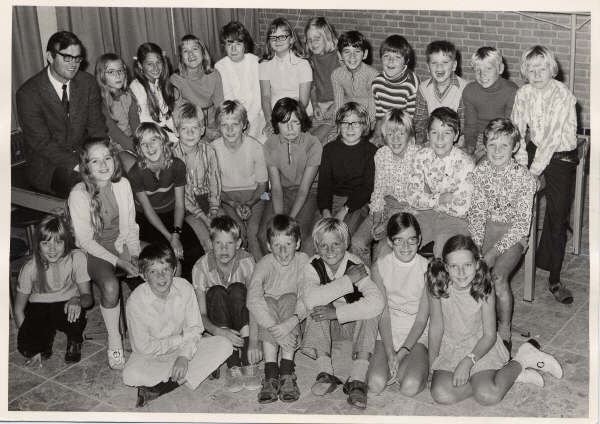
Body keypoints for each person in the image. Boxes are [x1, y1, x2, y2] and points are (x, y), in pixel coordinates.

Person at [427, 235, 563, 405]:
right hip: (452, 346)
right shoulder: (438, 287)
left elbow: (489, 335)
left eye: (467, 265)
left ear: (477, 264)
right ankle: (500, 377)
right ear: (446, 267)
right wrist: (432, 365)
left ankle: (522, 360)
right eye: (454, 266)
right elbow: (436, 328)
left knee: (488, 396)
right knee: (441, 394)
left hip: (480, 347)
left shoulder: (484, 287)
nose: (461, 273)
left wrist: (468, 362)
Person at [122, 243, 233, 408]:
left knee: (224, 345)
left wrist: (183, 356)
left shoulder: (184, 287)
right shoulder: (135, 302)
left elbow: (195, 328)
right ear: (144, 276)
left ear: (174, 270)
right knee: (130, 375)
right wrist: (179, 340)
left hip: (183, 348)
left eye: (165, 270)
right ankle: (196, 371)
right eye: (153, 272)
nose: (161, 276)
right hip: (153, 354)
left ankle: (161, 387)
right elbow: (142, 347)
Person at [511, 45, 579, 304]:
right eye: (531, 69)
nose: (537, 74)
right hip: (536, 146)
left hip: (561, 153)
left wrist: (533, 173)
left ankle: (555, 278)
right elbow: (517, 131)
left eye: (542, 68)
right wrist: (521, 163)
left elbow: (551, 139)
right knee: (515, 187)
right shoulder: (523, 93)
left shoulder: (563, 94)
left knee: (557, 216)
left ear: (552, 70)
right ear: (524, 72)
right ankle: (513, 251)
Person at [68, 138, 140, 369]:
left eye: (107, 158)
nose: (103, 165)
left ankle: (153, 331)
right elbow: (85, 241)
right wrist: (119, 261)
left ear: (114, 160)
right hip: (94, 251)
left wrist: (134, 253)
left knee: (159, 263)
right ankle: (115, 340)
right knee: (110, 286)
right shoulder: (79, 194)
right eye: (95, 161)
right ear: (86, 167)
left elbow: (130, 226)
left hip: (120, 243)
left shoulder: (122, 185)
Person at [467, 118, 536, 353]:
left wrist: (492, 254)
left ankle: (504, 329)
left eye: (504, 145)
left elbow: (521, 226)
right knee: (470, 269)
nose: (497, 151)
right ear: (485, 146)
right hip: (486, 230)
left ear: (514, 147)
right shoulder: (480, 172)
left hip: (512, 236)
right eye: (492, 145)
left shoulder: (524, 178)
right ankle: (481, 324)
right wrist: (477, 246)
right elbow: (477, 213)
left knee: (497, 277)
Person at [301, 218, 384, 410]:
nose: (330, 250)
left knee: (370, 311)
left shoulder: (356, 266)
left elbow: (378, 302)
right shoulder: (312, 266)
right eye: (324, 245)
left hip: (353, 329)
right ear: (316, 247)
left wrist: (336, 313)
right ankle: (325, 373)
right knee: (316, 306)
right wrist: (348, 280)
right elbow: (310, 300)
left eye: (336, 244)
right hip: (328, 330)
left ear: (346, 244)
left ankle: (357, 378)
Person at [16, 30, 106, 197]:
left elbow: (97, 128)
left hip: (86, 155)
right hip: (48, 165)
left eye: (77, 58)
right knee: (86, 187)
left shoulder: (87, 83)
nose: (74, 64)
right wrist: (82, 165)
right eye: (67, 57)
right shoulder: (28, 93)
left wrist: (102, 157)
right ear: (50, 57)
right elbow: (42, 143)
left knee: (122, 174)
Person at [127, 122, 204, 282]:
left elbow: (180, 205)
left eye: (153, 140)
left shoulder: (177, 166)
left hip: (171, 213)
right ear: (139, 149)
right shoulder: (136, 173)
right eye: (144, 144)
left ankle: (192, 292)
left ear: (163, 141)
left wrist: (176, 234)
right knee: (168, 257)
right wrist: (170, 238)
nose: (149, 147)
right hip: (147, 219)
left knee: (195, 252)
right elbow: (148, 211)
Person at [191, 216, 259, 393]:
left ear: (238, 244)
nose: (224, 249)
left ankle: (247, 359)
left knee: (237, 288)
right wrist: (219, 331)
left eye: (229, 243)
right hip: (218, 322)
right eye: (218, 243)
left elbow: (254, 303)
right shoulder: (200, 267)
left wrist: (253, 341)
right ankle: (233, 363)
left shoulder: (247, 261)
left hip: (242, 318)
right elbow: (201, 315)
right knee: (217, 291)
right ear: (210, 244)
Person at [247, 215, 310, 404]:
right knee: (266, 303)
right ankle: (271, 374)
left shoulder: (303, 260)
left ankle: (287, 372)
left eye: (288, 244)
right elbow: (253, 299)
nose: (283, 251)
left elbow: (308, 295)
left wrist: (289, 324)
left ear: (298, 243)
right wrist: (275, 329)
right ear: (268, 246)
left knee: (290, 299)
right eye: (277, 245)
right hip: (271, 319)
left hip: (293, 316)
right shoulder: (264, 263)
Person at [14, 215, 93, 364]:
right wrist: (30, 338)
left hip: (68, 303)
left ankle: (75, 339)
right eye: (45, 243)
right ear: (38, 244)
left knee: (74, 313)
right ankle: (46, 335)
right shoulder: (30, 268)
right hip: (39, 306)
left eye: (58, 242)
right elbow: (18, 309)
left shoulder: (77, 258)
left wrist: (77, 300)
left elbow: (88, 298)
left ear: (66, 242)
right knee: (27, 349)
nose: (52, 249)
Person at [366, 213, 429, 397]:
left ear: (419, 240)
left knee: (410, 387)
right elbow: (383, 314)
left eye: (411, 240)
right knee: (375, 383)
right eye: (399, 240)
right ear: (389, 241)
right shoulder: (379, 267)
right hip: (387, 331)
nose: (405, 247)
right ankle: (394, 366)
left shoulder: (427, 269)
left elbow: (421, 320)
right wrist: (389, 352)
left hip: (415, 334)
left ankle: (411, 366)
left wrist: (401, 353)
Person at [351, 108, 420, 266]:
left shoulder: (418, 156)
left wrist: (387, 223)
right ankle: (365, 278)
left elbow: (417, 201)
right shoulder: (381, 155)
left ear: (409, 135)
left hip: (408, 211)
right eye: (390, 133)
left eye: (401, 133)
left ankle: (380, 278)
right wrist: (377, 220)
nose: (395, 139)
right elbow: (378, 191)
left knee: (381, 251)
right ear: (384, 136)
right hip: (384, 207)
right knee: (357, 242)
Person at [408, 107, 474, 258]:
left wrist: (427, 198)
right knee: (406, 238)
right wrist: (439, 199)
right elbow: (412, 196)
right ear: (427, 134)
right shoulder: (420, 157)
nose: (439, 139)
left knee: (443, 251)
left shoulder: (466, 164)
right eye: (434, 133)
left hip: (455, 220)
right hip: (427, 214)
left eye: (447, 133)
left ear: (456, 135)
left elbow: (462, 208)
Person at [259, 97, 322, 255]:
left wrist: (289, 220)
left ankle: (298, 269)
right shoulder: (270, 145)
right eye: (284, 122)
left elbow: (304, 190)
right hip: (283, 192)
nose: (290, 128)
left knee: (296, 234)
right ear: (276, 124)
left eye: (295, 122)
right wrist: (280, 218)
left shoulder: (313, 144)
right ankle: (273, 268)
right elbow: (276, 188)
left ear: (302, 121)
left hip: (308, 193)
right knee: (265, 234)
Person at [212, 100, 268, 261]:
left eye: (235, 124)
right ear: (218, 126)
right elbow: (214, 189)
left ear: (244, 125)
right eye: (224, 125)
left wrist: (250, 204)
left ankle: (261, 270)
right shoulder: (213, 149)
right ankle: (241, 269)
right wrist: (234, 204)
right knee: (237, 233)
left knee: (253, 232)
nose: (230, 130)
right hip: (227, 198)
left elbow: (263, 187)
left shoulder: (256, 147)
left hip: (257, 196)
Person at [317, 102, 377, 237]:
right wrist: (326, 211)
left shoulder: (371, 151)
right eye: (345, 123)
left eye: (355, 123)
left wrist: (344, 210)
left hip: (358, 203)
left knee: (342, 235)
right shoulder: (329, 150)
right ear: (339, 126)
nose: (350, 128)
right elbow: (324, 185)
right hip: (332, 200)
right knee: (317, 238)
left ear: (364, 125)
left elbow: (367, 188)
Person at [172, 102, 222, 253]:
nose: (190, 133)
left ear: (202, 129)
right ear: (176, 131)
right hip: (185, 207)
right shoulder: (173, 156)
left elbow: (215, 182)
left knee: (226, 232)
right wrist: (204, 218)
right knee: (207, 242)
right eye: (184, 129)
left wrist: (214, 210)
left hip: (207, 199)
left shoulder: (209, 150)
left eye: (194, 128)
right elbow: (182, 196)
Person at [214, 21, 266, 143]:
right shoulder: (220, 66)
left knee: (255, 142)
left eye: (238, 44)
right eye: (229, 44)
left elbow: (258, 97)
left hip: (255, 113)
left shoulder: (255, 61)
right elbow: (228, 97)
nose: (233, 49)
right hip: (233, 116)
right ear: (224, 46)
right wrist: (239, 121)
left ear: (244, 45)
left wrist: (248, 121)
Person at [259, 17, 312, 136]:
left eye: (282, 36)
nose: (277, 40)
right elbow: (266, 97)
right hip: (273, 114)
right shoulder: (264, 65)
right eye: (273, 37)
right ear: (269, 41)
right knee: (266, 140)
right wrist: (270, 122)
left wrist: (286, 120)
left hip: (298, 113)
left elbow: (303, 101)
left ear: (292, 39)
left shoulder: (303, 64)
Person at [462, 47, 518, 159]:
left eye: (488, 68)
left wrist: (492, 146)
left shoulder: (512, 91)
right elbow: (470, 124)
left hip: (502, 136)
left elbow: (509, 126)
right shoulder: (469, 91)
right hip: (479, 136)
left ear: (500, 69)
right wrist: (470, 147)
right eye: (477, 70)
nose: (482, 74)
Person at [413, 41, 469, 147]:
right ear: (428, 67)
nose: (439, 67)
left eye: (445, 62)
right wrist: (421, 143)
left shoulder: (465, 89)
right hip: (431, 140)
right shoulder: (423, 89)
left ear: (454, 65)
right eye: (434, 63)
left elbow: (463, 125)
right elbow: (420, 122)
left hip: (454, 142)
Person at [170, 34, 224, 141]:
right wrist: (204, 131)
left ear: (203, 53)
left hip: (214, 124)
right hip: (190, 127)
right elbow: (178, 114)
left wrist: (220, 127)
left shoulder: (214, 74)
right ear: (181, 57)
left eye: (195, 49)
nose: (191, 54)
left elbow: (220, 106)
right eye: (185, 51)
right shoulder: (175, 79)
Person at [371, 34, 419, 146]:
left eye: (397, 57)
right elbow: (380, 116)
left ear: (406, 61)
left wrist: (394, 138)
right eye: (386, 56)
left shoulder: (410, 85)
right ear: (381, 58)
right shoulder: (377, 83)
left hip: (404, 129)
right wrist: (377, 136)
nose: (391, 61)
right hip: (385, 128)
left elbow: (410, 121)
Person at [94, 52, 138, 172]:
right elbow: (114, 132)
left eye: (120, 71)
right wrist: (135, 148)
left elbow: (135, 124)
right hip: (113, 146)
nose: (118, 75)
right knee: (134, 166)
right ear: (102, 76)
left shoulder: (128, 95)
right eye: (111, 72)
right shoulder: (100, 101)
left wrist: (140, 142)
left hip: (132, 141)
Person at [129, 42, 179, 142]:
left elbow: (167, 116)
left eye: (158, 62)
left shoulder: (160, 83)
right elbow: (145, 122)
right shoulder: (137, 88)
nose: (155, 68)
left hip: (163, 132)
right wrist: (173, 138)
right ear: (140, 65)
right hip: (149, 135)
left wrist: (177, 131)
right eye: (150, 64)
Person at [331, 31, 378, 131]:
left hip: (367, 121)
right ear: (340, 55)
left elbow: (373, 110)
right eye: (347, 52)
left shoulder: (373, 75)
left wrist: (366, 128)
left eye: (357, 51)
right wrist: (339, 126)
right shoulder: (336, 74)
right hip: (346, 118)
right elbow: (338, 104)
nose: (352, 56)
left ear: (365, 54)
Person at [304, 17, 339, 143]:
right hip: (321, 105)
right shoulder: (311, 60)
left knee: (317, 140)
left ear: (327, 37)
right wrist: (315, 106)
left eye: (317, 38)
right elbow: (313, 87)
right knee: (305, 137)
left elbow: (347, 88)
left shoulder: (339, 57)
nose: (313, 43)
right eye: (309, 40)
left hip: (339, 103)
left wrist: (334, 107)